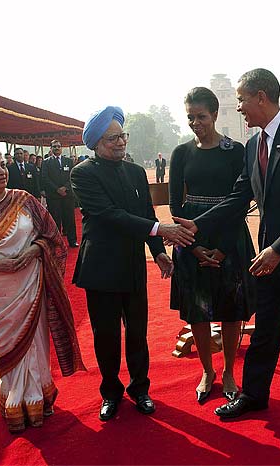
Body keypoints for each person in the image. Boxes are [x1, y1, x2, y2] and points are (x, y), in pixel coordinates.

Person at [173, 68, 280, 443]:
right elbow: (238, 198)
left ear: (262, 97)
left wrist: (279, 249)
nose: (239, 107)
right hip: (268, 259)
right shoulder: (252, 146)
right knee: (265, 332)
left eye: (242, 99)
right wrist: (196, 226)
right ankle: (254, 395)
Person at [71, 106, 194, 422]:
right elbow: (109, 216)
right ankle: (110, 393)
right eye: (112, 138)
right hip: (100, 269)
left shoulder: (136, 171)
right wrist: (160, 231)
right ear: (97, 142)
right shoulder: (83, 173)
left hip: (132, 266)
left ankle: (140, 389)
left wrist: (159, 251)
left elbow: (146, 216)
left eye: (122, 135)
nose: (120, 142)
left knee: (137, 333)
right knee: (107, 336)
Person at [0, 147, 85, 433]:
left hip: (31, 283)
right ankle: (15, 403)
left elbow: (51, 236)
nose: (1, 172)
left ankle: (39, 398)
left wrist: (35, 251)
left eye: (1, 165)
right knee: (8, 346)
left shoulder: (25, 200)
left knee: (36, 343)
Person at [169, 87, 257, 404]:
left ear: (216, 114)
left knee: (231, 310)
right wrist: (193, 248)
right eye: (191, 117)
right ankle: (208, 370)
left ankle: (230, 370)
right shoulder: (180, 153)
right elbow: (175, 207)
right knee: (199, 310)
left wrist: (220, 248)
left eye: (202, 116)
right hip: (190, 239)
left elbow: (240, 202)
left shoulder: (235, 151)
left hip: (230, 236)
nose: (196, 123)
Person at [41, 140, 77, 247]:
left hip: (67, 195)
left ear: (61, 148)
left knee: (70, 218)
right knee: (55, 220)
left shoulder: (69, 161)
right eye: (54, 146)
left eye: (58, 146)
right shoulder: (46, 162)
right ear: (51, 148)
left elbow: (72, 176)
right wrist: (57, 189)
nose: (57, 148)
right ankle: (57, 243)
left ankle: (72, 240)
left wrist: (65, 188)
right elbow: (45, 178)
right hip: (53, 196)